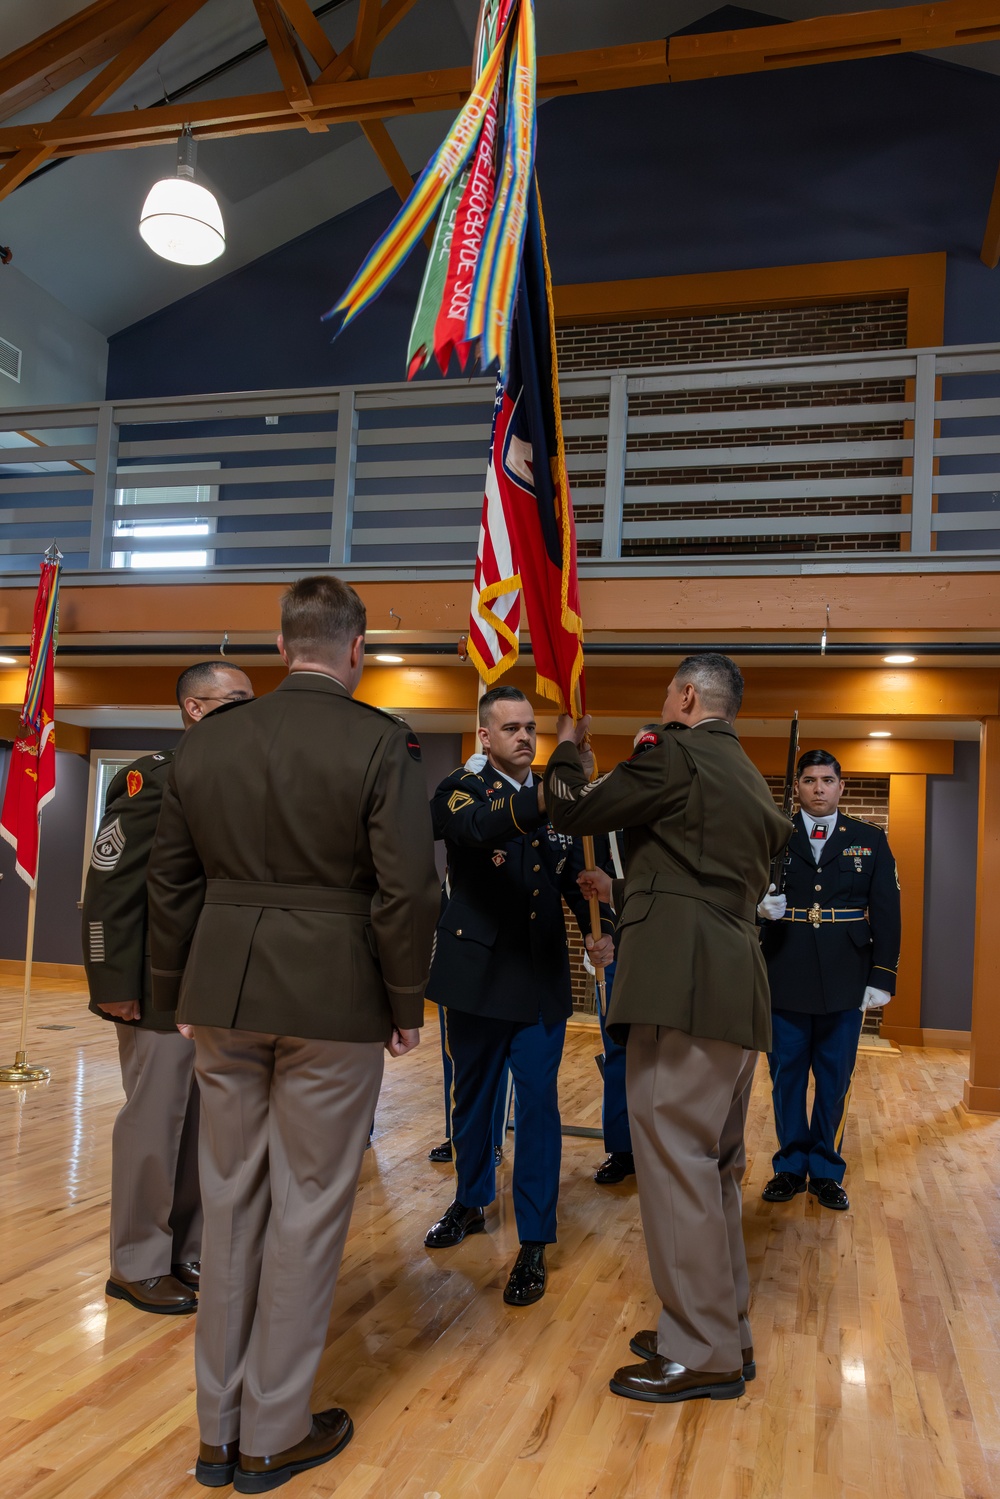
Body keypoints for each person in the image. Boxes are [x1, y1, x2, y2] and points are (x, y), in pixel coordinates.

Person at [147, 575, 439, 1493]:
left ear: (281, 648)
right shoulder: (379, 741)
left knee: (229, 1203)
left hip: (223, 991)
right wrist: (403, 1004)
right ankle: (273, 1433)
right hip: (333, 995)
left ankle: (216, 1431)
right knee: (309, 1206)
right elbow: (407, 890)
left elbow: (169, 881)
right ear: (356, 650)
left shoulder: (214, 738)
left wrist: (174, 993)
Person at [544, 653, 790, 1403]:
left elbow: (572, 809)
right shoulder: (747, 776)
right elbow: (705, 875)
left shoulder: (674, 751)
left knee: (676, 1162)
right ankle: (721, 1328)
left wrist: (568, 751)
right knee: (710, 1167)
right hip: (732, 986)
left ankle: (701, 1350)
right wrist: (622, 886)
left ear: (686, 696)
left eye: (665, 694)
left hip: (680, 986)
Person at [423, 684, 614, 1307]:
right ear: (485, 736)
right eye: (512, 729)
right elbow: (478, 829)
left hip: (537, 979)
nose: (526, 737)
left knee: (537, 1108)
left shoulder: (554, 805)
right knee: (473, 1101)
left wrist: (594, 931)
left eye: (532, 727)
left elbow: (568, 879)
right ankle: (471, 1200)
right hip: (476, 977)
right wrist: (558, 783)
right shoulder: (461, 789)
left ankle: (533, 1238)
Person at [82, 660, 254, 1315]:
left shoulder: (242, 779)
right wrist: (113, 982)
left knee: (203, 1127)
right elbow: (109, 888)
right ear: (195, 709)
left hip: (214, 986)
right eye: (233, 699)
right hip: (155, 986)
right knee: (153, 1125)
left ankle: (183, 1249)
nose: (248, 709)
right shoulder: (153, 777)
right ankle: (135, 1262)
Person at [757, 749, 901, 1212]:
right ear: (796, 787)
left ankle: (825, 1169)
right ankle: (788, 1165)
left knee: (834, 1079)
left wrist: (882, 975)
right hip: (785, 971)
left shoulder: (869, 839)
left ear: (842, 786)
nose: (818, 788)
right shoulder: (772, 837)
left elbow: (887, 912)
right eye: (809, 780)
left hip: (846, 977)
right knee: (787, 1079)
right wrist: (759, 910)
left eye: (827, 780)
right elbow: (740, 893)